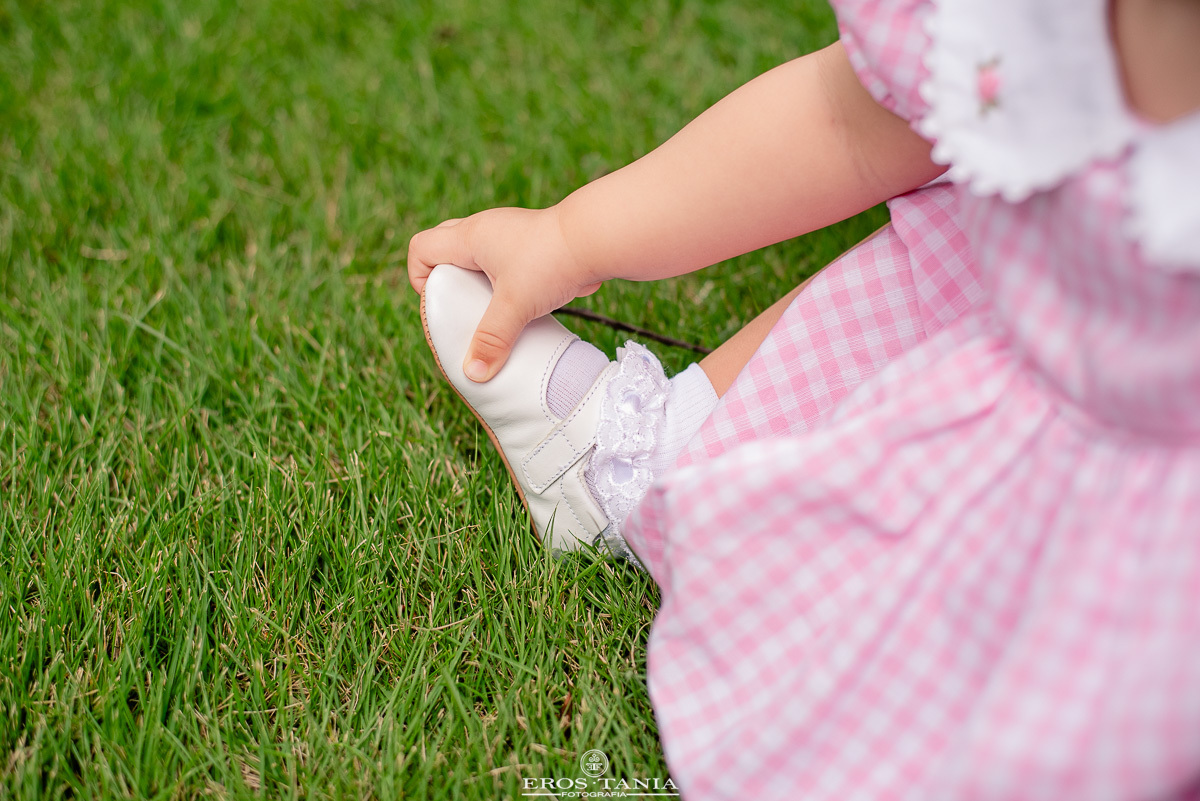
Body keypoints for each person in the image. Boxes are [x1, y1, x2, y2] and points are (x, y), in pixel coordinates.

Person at [409, 0, 1200, 797]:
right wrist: (571, 240)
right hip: (1040, 346)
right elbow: (849, 126)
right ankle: (658, 456)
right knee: (992, 207)